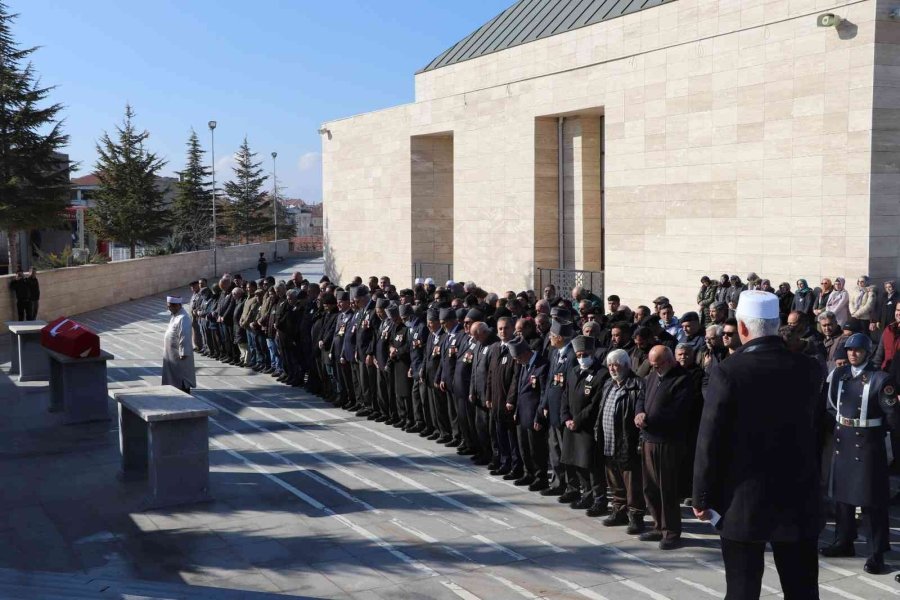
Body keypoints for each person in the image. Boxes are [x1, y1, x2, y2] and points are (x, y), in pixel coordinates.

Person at [693, 290, 824, 598]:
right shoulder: (809, 369)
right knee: (803, 590)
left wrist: (701, 495)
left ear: (742, 328)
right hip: (799, 499)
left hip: (742, 501)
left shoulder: (727, 372)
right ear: (777, 324)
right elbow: (818, 431)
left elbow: (709, 439)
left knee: (742, 590)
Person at [820, 333, 900, 574]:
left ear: (867, 352)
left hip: (868, 444)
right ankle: (843, 540)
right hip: (843, 440)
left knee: (872, 502)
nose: (853, 353)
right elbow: (830, 406)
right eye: (850, 350)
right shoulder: (841, 375)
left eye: (858, 350)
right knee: (842, 497)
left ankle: (876, 552)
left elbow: (893, 416)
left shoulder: (880, 379)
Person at [634, 345, 691, 550]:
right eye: (652, 365)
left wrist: (648, 419)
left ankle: (671, 531)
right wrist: (639, 412)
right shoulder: (651, 376)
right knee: (650, 487)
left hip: (668, 442)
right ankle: (658, 525)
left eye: (658, 365)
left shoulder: (682, 379)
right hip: (649, 439)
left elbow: (678, 412)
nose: (655, 368)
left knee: (667, 488)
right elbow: (641, 397)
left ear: (668, 361)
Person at [595, 349, 645, 534]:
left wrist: (638, 443)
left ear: (626, 365)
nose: (612, 369)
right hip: (608, 442)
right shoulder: (608, 384)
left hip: (627, 443)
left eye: (616, 364)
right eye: (609, 365)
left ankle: (636, 516)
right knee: (614, 481)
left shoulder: (637, 385)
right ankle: (619, 511)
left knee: (632, 485)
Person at [560, 335, 609, 516]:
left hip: (588, 427)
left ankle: (600, 500)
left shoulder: (601, 374)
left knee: (592, 465)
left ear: (592, 353)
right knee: (577, 462)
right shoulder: (573, 371)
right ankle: (586, 495)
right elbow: (565, 395)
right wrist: (566, 417)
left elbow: (595, 404)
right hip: (571, 425)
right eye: (578, 354)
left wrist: (578, 420)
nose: (581, 357)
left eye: (585, 354)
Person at [506, 334, 550, 490]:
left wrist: (539, 415)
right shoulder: (524, 366)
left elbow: (544, 393)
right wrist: (516, 410)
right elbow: (519, 390)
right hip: (522, 414)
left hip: (534, 415)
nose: (516, 361)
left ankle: (540, 477)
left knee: (536, 449)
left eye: (517, 358)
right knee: (524, 447)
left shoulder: (542, 365)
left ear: (525, 353)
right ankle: (528, 473)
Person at [162, 295, 196, 394]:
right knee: (172, 378)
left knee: (181, 379)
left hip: (179, 356)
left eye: (170, 306)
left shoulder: (183, 318)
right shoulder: (175, 316)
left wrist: (183, 352)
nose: (168, 309)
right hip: (171, 354)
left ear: (176, 305)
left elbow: (184, 336)